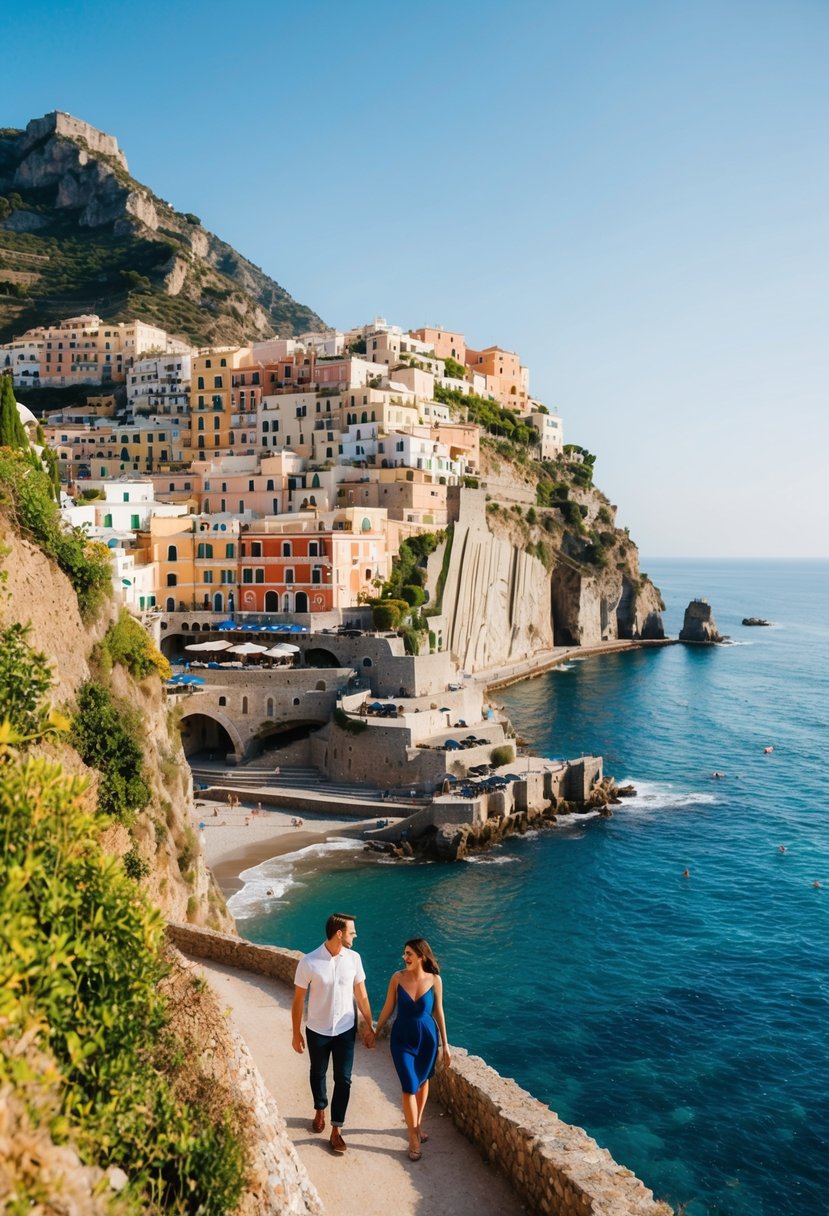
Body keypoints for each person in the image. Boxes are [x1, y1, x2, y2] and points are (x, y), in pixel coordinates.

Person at [291, 913, 375, 1155]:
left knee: (344, 1079)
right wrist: (296, 1032)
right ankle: (320, 1108)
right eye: (352, 932)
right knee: (317, 1072)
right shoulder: (309, 962)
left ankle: (336, 1128)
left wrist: (370, 1025)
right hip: (317, 1030)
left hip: (345, 1030)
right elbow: (298, 1000)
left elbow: (362, 995)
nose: (355, 936)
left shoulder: (354, 959)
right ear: (339, 933)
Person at [373, 938, 450, 1162]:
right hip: (402, 1040)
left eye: (409, 954)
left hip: (427, 1039)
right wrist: (375, 1031)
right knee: (409, 1087)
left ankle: (418, 1124)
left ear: (421, 957)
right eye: (404, 953)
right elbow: (389, 1006)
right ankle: (413, 1136)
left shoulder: (435, 980)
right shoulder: (397, 978)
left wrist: (445, 1045)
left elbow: (439, 1012)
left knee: (423, 1081)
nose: (405, 958)